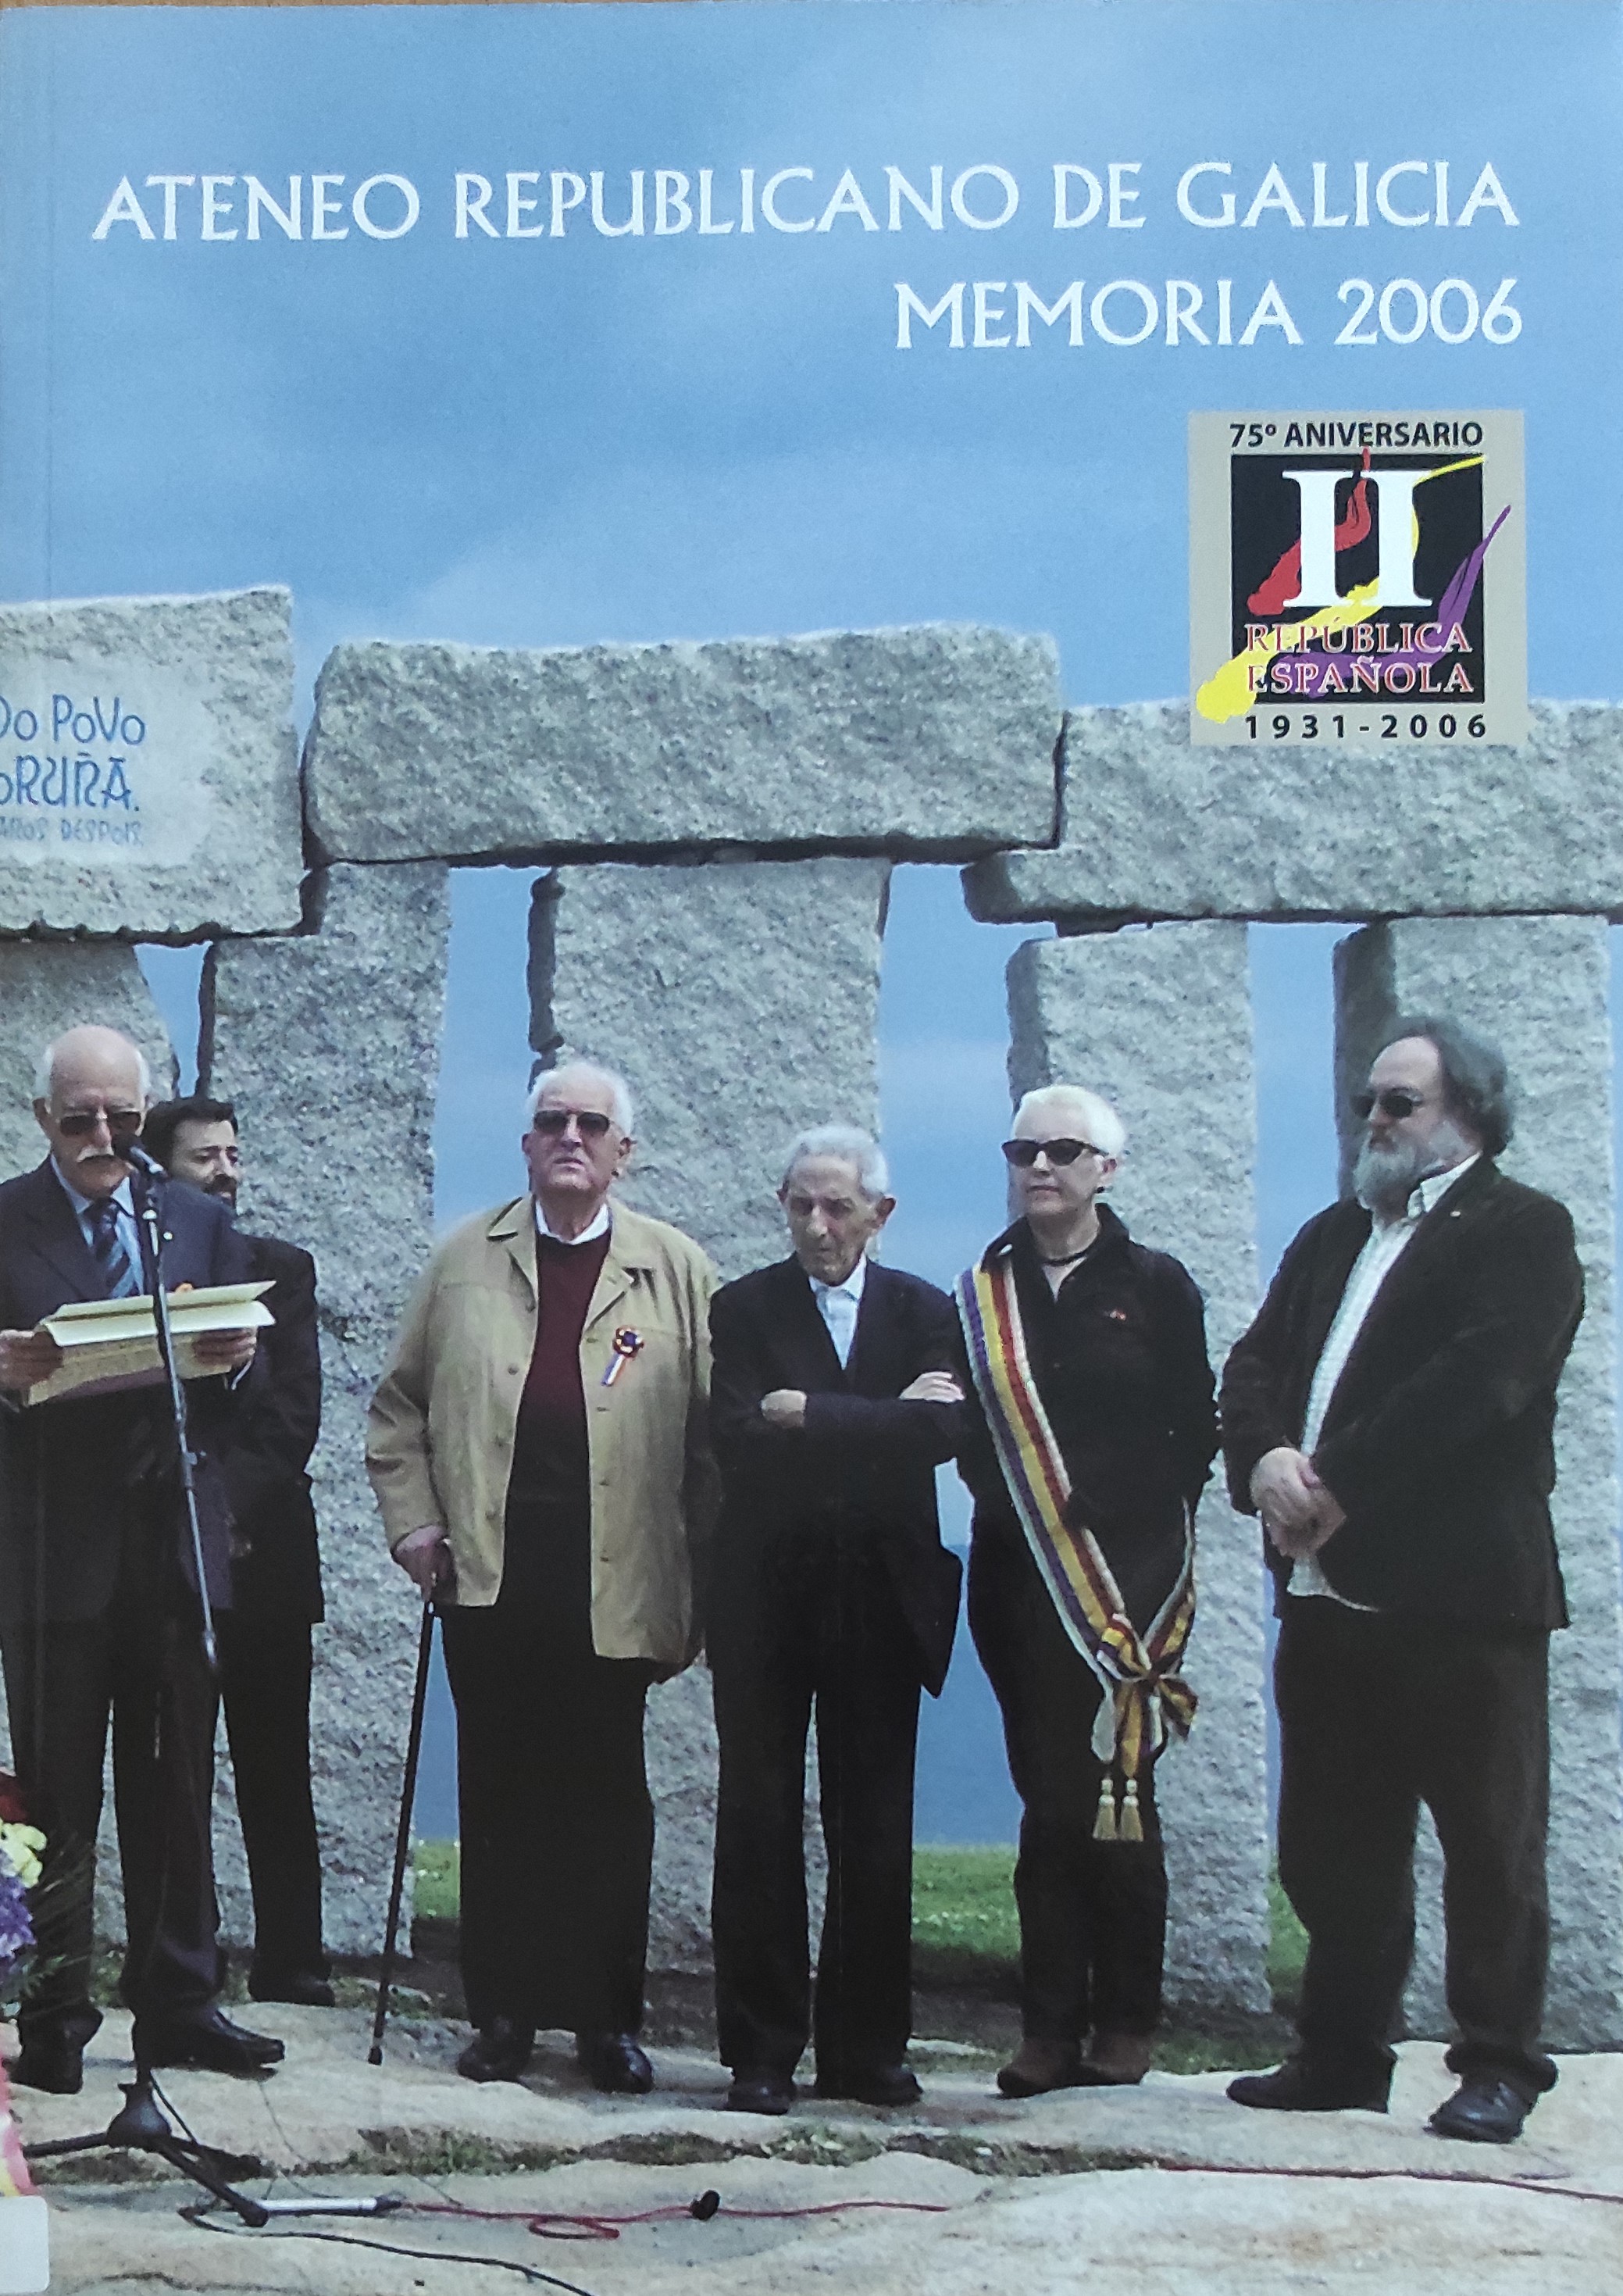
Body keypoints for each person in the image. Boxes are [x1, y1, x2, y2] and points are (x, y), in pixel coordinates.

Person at [1221, 1016, 1582, 2145]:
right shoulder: (1335, 1231)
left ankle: (1497, 2064)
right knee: (1332, 1841)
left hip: (1461, 1597)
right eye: (1365, 1102)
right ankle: (1339, 2051)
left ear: (1465, 1112)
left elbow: (1479, 1382)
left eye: (1397, 1102)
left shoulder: (1523, 1227)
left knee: (1487, 1845)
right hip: (1326, 1595)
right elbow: (1254, 1362)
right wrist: (1263, 1460)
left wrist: (1335, 1480)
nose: (1372, 1120)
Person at [368, 1060, 717, 2093]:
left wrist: (706, 1575)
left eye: (591, 1123)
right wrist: (413, 1524)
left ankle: (604, 2018)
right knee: (502, 1789)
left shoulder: (675, 1268)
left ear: (623, 1150)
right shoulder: (463, 1258)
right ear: (525, 1143)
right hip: (490, 1570)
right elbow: (397, 1407)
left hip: (618, 1572)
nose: (570, 1135)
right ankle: (505, 2010)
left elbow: (715, 1436)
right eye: (551, 1120)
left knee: (606, 1798)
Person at [0, 1027, 282, 2092]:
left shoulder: (193, 1217)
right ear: (44, 1117)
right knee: (57, 1797)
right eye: (81, 1118)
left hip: (171, 1546)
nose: (104, 1136)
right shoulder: (6, 1219)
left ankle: (180, 2003)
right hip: (53, 1553)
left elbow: (242, 1395)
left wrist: (236, 1361)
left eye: (122, 1117)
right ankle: (55, 2014)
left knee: (175, 1790)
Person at [956, 1084, 1217, 2098]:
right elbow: (968, 1429)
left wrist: (1131, 1505)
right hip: (1019, 1577)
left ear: (1105, 1168)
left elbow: (1193, 1427)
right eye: (1021, 1149)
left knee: (1123, 1795)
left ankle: (1125, 2020)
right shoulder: (982, 1288)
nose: (1038, 1166)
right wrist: (1008, 1497)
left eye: (1063, 1150)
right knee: (1046, 1799)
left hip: (1126, 1584)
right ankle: (1047, 2026)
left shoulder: (1154, 1283)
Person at [708, 1125, 965, 2116]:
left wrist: (806, 1412)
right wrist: (876, 1419)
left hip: (881, 1598)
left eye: (836, 1206)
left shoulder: (922, 1308)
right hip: (765, 1597)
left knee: (874, 1824)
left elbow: (941, 1428)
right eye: (799, 1204)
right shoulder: (742, 1306)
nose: (816, 1225)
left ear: (878, 1213)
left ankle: (867, 2048)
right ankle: (761, 2049)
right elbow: (734, 1434)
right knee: (758, 1817)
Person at [141, 1094, 331, 2008]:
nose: (224, 1171)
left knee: (275, 1760)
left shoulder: (278, 1269)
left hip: (263, 1553)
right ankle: (188, 1957)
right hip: (170, 1555)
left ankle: (294, 1957)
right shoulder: (135, 1272)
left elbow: (294, 1411)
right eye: (203, 1157)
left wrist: (225, 1512)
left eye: (232, 1154)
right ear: (159, 1175)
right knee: (177, 1766)